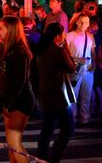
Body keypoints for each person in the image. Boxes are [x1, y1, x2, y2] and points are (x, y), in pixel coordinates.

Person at [0, 16, 35, 163]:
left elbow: (19, 81)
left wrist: (9, 104)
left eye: (1, 27)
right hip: (10, 100)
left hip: (20, 100)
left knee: (14, 142)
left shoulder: (18, 51)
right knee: (11, 144)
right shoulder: (9, 49)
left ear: (10, 30)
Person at [36, 23, 77, 162]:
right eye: (63, 33)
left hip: (46, 94)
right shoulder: (58, 51)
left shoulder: (41, 50)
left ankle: (42, 156)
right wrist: (66, 49)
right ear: (58, 36)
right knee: (68, 127)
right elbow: (72, 68)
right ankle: (54, 156)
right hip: (59, 96)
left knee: (47, 128)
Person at [66, 15, 95, 126]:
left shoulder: (90, 37)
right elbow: (66, 54)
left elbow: (93, 52)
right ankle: (72, 119)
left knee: (86, 95)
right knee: (73, 95)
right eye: (81, 22)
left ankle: (85, 119)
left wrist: (94, 65)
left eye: (86, 22)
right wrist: (78, 59)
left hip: (87, 70)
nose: (83, 24)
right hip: (75, 70)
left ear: (88, 24)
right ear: (77, 22)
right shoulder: (69, 36)